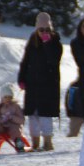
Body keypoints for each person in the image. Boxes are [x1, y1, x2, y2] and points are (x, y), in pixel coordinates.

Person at [18, 11, 63, 151]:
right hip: (32, 84)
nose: (44, 32)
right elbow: (25, 62)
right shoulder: (32, 42)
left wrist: (47, 43)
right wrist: (21, 77)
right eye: (41, 29)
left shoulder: (55, 43)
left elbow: (54, 60)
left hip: (48, 84)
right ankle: (35, 142)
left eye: (47, 29)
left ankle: (48, 142)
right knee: (33, 115)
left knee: (45, 115)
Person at [0, 83, 26, 151]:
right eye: (5, 97)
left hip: (13, 126)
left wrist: (12, 117)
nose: (8, 99)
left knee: (15, 129)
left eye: (10, 97)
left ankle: (19, 143)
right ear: (1, 97)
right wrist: (0, 120)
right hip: (2, 125)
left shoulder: (16, 106)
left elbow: (22, 120)